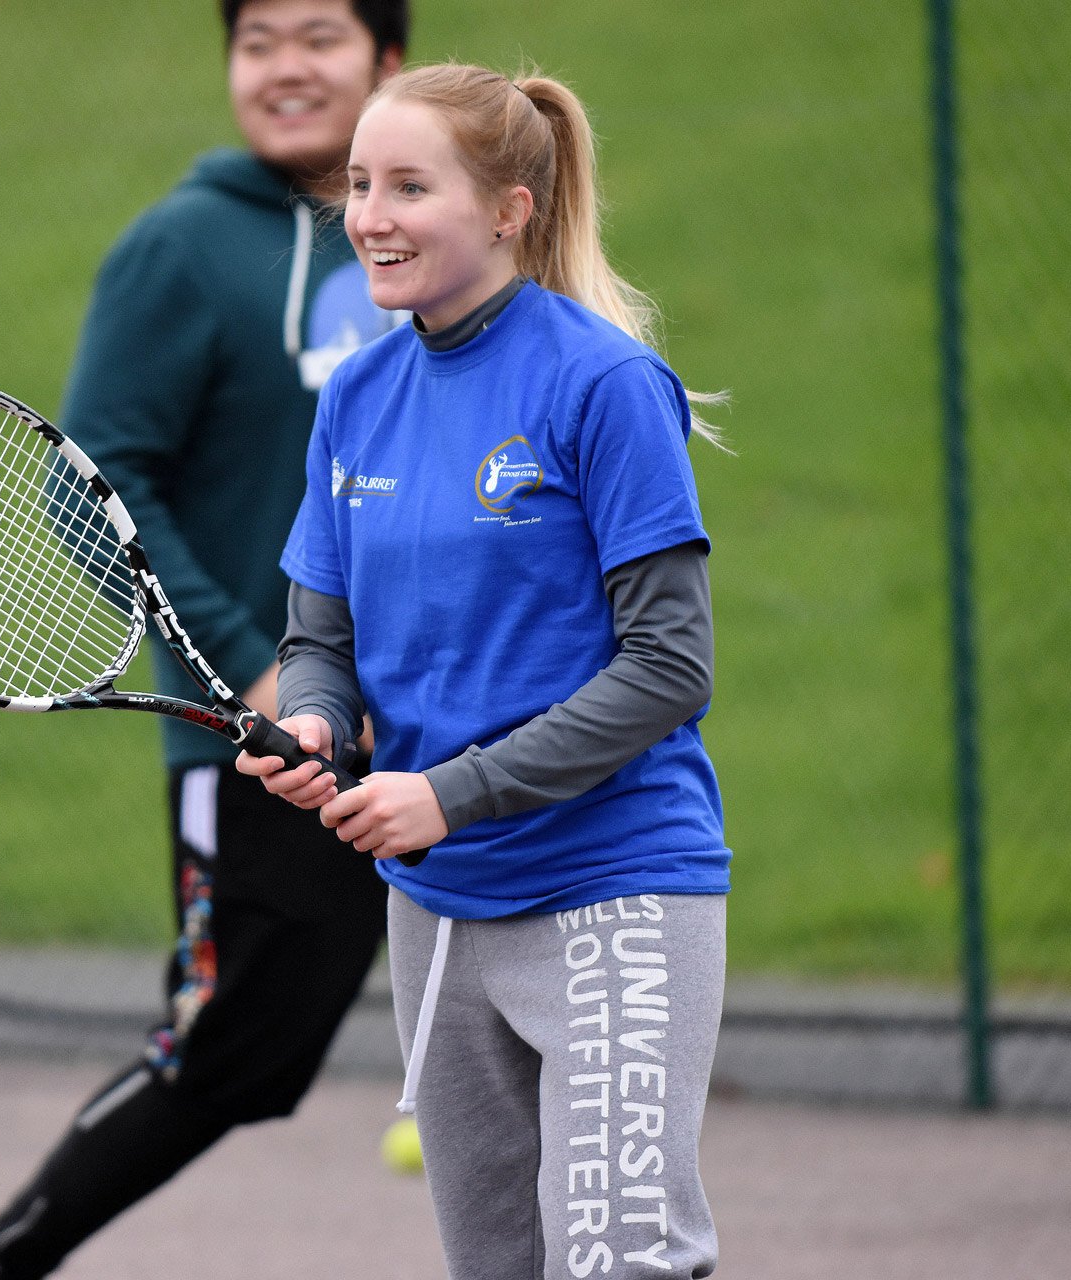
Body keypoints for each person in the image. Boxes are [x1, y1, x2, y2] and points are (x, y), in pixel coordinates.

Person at [0, 3, 408, 1278]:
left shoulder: (432, 237)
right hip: (276, 747)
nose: (286, 66)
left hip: (456, 732)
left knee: (528, 1018)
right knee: (232, 1047)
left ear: (391, 61)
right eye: (257, 40)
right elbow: (94, 478)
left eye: (320, 35)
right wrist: (256, 666)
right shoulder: (180, 249)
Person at [238, 63, 732, 1280]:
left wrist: (449, 791)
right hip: (440, 908)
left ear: (509, 209)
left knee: (623, 1261)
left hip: (615, 886)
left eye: (412, 185)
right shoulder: (356, 396)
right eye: (359, 184)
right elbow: (322, 642)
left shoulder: (603, 383)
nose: (371, 215)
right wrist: (313, 724)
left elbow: (670, 665)